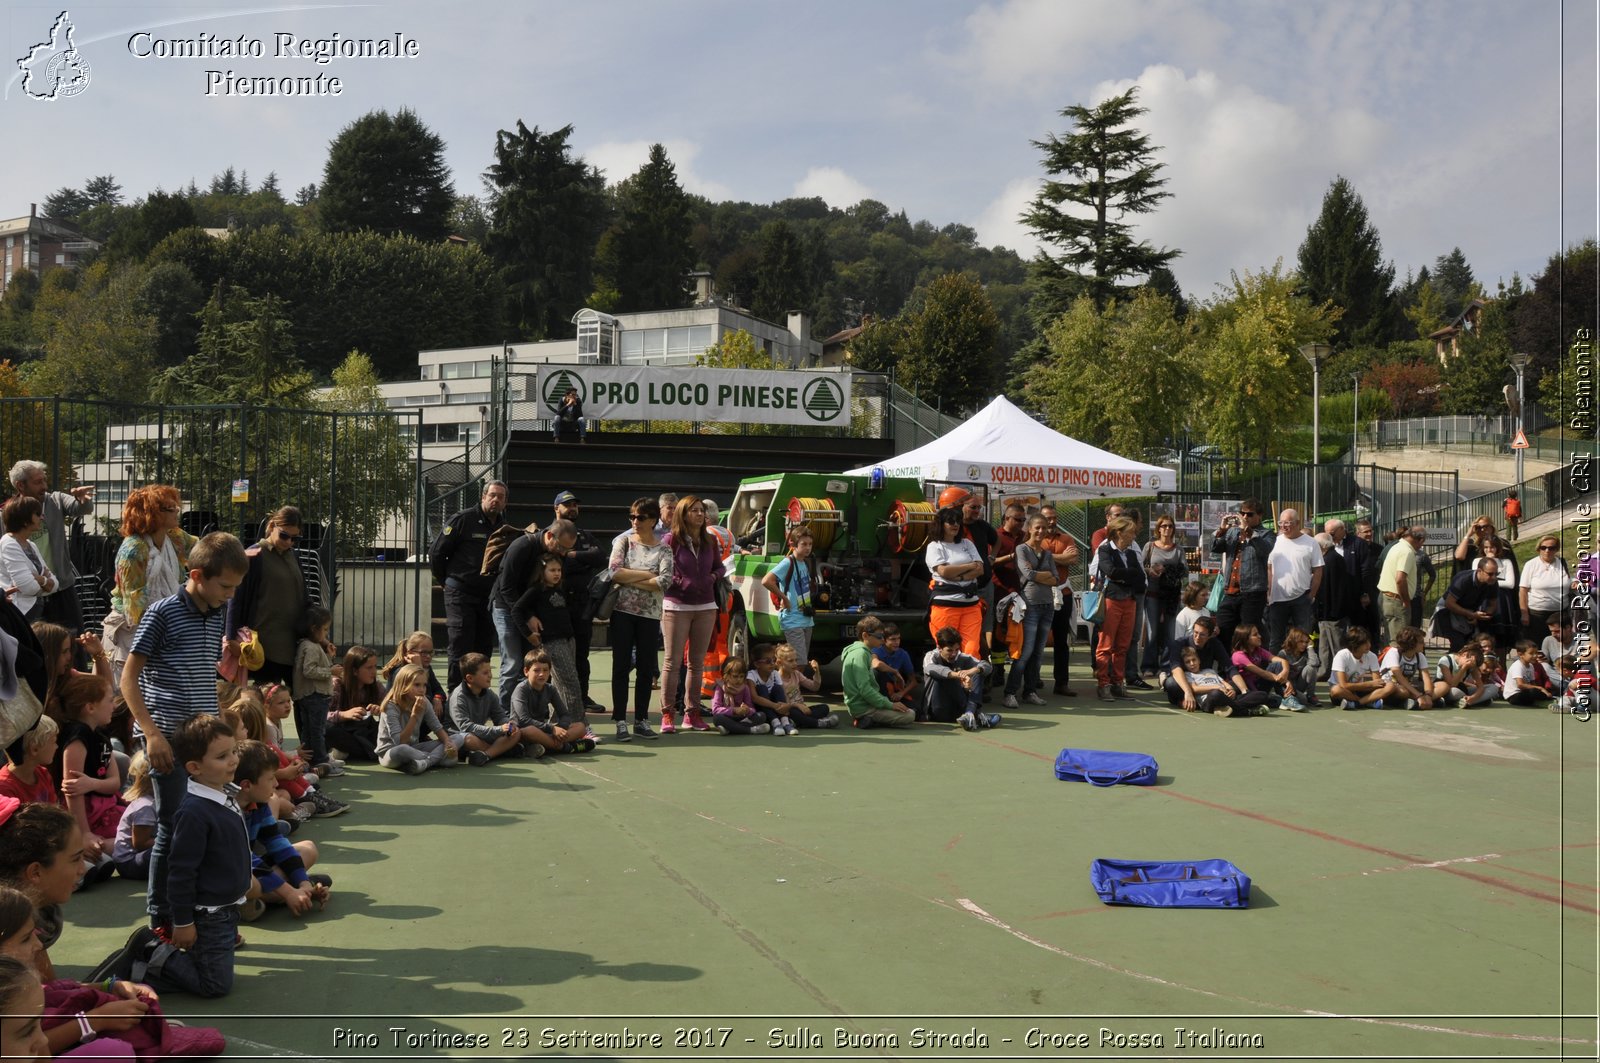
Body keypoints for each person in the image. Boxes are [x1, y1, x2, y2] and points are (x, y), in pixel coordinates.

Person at [118, 532, 247, 933]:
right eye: (225, 586)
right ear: (197, 575)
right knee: (172, 829)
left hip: (207, 740)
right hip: (168, 741)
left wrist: (221, 722)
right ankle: (164, 921)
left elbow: (202, 675)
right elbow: (128, 678)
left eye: (235, 588)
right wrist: (152, 734)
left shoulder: (215, 613)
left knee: (208, 824)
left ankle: (203, 913)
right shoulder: (161, 613)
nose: (230, 595)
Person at [131, 714, 247, 997]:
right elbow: (181, 871)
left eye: (233, 751)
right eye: (222, 756)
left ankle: (181, 957)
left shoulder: (222, 794)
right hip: (208, 913)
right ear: (194, 767)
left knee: (212, 965)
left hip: (226, 907)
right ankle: (148, 955)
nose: (233, 760)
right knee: (215, 985)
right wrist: (183, 921)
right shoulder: (194, 812)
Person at [103, 485, 194, 686]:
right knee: (130, 691)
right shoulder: (133, 549)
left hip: (164, 624)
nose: (177, 511)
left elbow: (203, 551)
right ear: (153, 514)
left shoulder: (174, 536)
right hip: (131, 629)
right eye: (171, 508)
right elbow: (134, 607)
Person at [429, 482, 508, 690]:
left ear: (505, 502)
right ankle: (455, 697)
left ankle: (479, 695)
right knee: (460, 645)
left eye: (500, 497)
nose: (496, 500)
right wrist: (446, 581)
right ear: (483, 497)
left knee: (483, 648)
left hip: (487, 597)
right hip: (460, 593)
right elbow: (437, 553)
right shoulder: (463, 519)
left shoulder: (504, 527)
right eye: (492, 495)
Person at [226, 506, 313, 687]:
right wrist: (231, 637)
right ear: (272, 526)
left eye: (295, 538)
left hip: (293, 645)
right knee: (265, 701)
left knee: (303, 699)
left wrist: (320, 636)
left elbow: (304, 598)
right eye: (284, 535)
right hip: (264, 646)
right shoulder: (255, 554)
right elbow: (236, 598)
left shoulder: (293, 557)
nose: (289, 541)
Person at [491, 519, 576, 703]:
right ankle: (505, 713)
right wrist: (527, 616)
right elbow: (506, 588)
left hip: (528, 608)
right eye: (561, 547)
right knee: (512, 663)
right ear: (549, 536)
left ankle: (528, 709)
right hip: (506, 607)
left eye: (567, 550)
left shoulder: (552, 552)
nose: (562, 553)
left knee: (531, 663)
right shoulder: (521, 547)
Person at [7, 461, 94, 637]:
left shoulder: (55, 500)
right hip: (27, 595)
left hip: (61, 587)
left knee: (72, 640)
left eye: (44, 481)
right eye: (38, 482)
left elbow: (81, 508)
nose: (44, 486)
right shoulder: (9, 513)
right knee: (34, 644)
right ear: (20, 485)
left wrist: (82, 499)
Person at [608, 498, 671, 742]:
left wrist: (629, 577)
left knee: (646, 669)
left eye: (640, 517)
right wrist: (647, 575)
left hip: (650, 616)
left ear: (653, 520)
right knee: (620, 667)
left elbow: (664, 581)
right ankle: (621, 721)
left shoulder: (664, 549)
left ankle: (642, 720)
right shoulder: (623, 542)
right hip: (622, 613)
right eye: (632, 516)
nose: (635, 521)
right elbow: (615, 571)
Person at [659, 496, 720, 734]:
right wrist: (680, 582)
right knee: (672, 663)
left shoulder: (710, 540)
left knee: (696, 663)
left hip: (706, 606)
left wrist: (712, 578)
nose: (699, 515)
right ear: (683, 514)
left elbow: (720, 566)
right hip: (676, 606)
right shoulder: (670, 540)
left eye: (701, 511)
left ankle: (692, 714)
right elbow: (661, 569)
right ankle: (667, 715)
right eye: (694, 510)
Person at [52, 673, 126, 869]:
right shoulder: (77, 736)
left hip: (105, 805)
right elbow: (73, 790)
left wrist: (92, 783)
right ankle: (85, 854)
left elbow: (115, 782)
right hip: (86, 813)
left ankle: (98, 854)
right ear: (90, 707)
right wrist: (83, 833)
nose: (114, 706)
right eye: (110, 701)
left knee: (144, 826)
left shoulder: (100, 734)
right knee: (135, 836)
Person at [553, 491, 606, 710]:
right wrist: (582, 561)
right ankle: (554, 700)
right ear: (556, 508)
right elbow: (557, 564)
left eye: (575, 505)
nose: (573, 508)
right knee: (554, 654)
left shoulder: (583, 535)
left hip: (582, 605)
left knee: (581, 655)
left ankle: (582, 698)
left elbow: (600, 557)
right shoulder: (549, 533)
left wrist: (573, 556)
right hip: (556, 605)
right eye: (567, 505)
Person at [516, 555, 584, 715]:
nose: (557, 573)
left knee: (560, 684)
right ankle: (580, 723)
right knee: (571, 683)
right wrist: (528, 634)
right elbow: (517, 610)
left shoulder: (560, 589)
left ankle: (559, 722)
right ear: (542, 571)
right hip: (552, 642)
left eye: (559, 570)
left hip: (568, 639)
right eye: (552, 570)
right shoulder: (536, 590)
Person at [1005, 515, 1060, 708]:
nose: (1040, 531)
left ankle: (1030, 691)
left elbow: (1056, 579)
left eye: (1044, 528)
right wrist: (1044, 575)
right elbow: (1027, 574)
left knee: (1038, 654)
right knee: (1025, 651)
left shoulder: (1047, 554)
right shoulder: (1021, 549)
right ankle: (1010, 692)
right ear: (1029, 528)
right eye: (1037, 527)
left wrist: (1040, 575)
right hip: (1030, 607)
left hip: (1047, 607)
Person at [375, 664, 464, 774]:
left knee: (458, 738)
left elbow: (437, 727)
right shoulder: (391, 706)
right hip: (391, 753)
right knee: (403, 749)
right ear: (403, 685)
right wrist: (415, 715)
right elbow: (400, 741)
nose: (422, 690)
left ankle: (423, 763)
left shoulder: (424, 701)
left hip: (415, 748)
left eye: (424, 685)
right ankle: (434, 760)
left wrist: (448, 743)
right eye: (417, 685)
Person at [1093, 515, 1145, 702]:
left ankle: (1117, 683)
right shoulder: (1105, 549)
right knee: (1106, 645)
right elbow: (1111, 572)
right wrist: (1127, 575)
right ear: (1119, 533)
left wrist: (1124, 576)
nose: (1134, 536)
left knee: (1122, 646)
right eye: (1131, 532)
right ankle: (1103, 684)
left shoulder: (1131, 553)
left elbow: (1139, 577)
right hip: (1111, 600)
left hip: (1129, 600)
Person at [1208, 499, 1271, 646]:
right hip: (1230, 591)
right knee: (1223, 628)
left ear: (1259, 515)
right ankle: (1227, 666)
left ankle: (1250, 665)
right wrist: (1222, 529)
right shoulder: (1232, 532)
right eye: (1242, 513)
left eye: (1249, 514)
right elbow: (1215, 547)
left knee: (1248, 633)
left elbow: (1265, 550)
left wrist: (1247, 531)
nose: (1245, 517)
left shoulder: (1266, 534)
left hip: (1253, 593)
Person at [507, 649, 593, 756]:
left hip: (542, 731)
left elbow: (565, 714)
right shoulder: (521, 689)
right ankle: (566, 747)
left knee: (580, 726)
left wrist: (560, 730)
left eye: (545, 670)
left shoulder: (550, 689)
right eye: (536, 670)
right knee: (529, 731)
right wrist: (552, 729)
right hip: (522, 730)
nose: (541, 674)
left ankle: (548, 746)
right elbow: (523, 720)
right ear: (526, 671)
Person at [924, 507, 984, 658]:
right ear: (941, 524)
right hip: (945, 606)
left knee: (972, 650)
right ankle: (947, 680)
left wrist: (960, 577)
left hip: (971, 604)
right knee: (947, 651)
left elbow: (980, 569)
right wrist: (969, 566)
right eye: (950, 521)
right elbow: (944, 571)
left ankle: (968, 681)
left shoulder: (967, 543)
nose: (955, 524)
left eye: (958, 521)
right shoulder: (934, 546)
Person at [446, 654, 523, 765]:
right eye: (485, 673)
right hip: (460, 736)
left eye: (490, 671)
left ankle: (486, 755)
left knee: (516, 732)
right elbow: (466, 727)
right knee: (469, 740)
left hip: (481, 734)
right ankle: (503, 751)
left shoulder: (489, 694)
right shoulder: (458, 697)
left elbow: (499, 716)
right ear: (470, 678)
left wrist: (508, 725)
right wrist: (499, 730)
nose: (490, 676)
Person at [291, 605, 340, 779]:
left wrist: (328, 657)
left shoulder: (309, 645)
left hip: (308, 695)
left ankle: (309, 761)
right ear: (314, 629)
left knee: (309, 731)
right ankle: (321, 760)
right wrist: (331, 671)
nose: (326, 634)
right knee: (317, 731)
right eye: (325, 629)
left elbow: (316, 666)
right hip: (315, 695)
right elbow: (310, 670)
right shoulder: (311, 646)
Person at [1264, 509, 1323, 654]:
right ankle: (1274, 670)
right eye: (1281, 523)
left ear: (1297, 523)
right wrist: (1269, 591)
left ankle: (1301, 671)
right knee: (1275, 639)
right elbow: (1269, 568)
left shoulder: (1311, 543)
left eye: (1287, 523)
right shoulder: (1275, 541)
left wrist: (1311, 595)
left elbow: (1318, 571)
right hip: (1277, 598)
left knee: (1302, 637)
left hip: (1302, 598)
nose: (1283, 526)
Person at [1036, 503, 1080, 697]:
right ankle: (1033, 680)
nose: (1052, 522)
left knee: (1061, 641)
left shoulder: (1067, 538)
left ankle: (1061, 683)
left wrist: (1047, 556)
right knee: (1036, 640)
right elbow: (1035, 561)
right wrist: (1059, 557)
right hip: (1039, 595)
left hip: (1064, 595)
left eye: (1054, 518)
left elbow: (1073, 559)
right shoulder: (1034, 539)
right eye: (1048, 518)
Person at [841, 617, 915, 729]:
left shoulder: (859, 651)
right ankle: (864, 717)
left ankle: (868, 719)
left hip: (864, 703)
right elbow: (865, 689)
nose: (882, 640)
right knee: (910, 715)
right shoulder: (861, 654)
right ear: (865, 636)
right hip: (863, 707)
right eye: (879, 636)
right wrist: (890, 704)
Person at [1161, 616, 1245, 711]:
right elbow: (1176, 669)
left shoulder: (1215, 644)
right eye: (1195, 633)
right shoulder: (1179, 643)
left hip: (1207, 684)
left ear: (1210, 635)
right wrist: (1188, 692)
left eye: (1202, 635)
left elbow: (1229, 667)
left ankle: (1215, 702)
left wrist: (1244, 691)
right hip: (1187, 685)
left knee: (1236, 685)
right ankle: (1183, 701)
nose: (1197, 637)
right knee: (1171, 683)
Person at [1140, 514, 1188, 677]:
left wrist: (1166, 569)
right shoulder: (1150, 546)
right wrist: (1151, 570)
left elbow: (1185, 570)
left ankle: (1167, 666)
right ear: (1158, 528)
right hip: (1153, 593)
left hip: (1171, 596)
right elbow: (1140, 567)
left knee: (1170, 631)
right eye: (1164, 526)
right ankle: (1148, 665)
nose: (1167, 529)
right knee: (1152, 632)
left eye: (1170, 526)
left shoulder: (1178, 549)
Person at [760, 528, 817, 663]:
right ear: (793, 545)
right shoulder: (787, 562)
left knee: (801, 663)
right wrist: (784, 598)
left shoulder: (805, 562)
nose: (808, 548)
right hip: (793, 619)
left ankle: (794, 684)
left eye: (810, 544)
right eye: (803, 544)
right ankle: (789, 684)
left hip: (806, 618)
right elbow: (766, 581)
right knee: (799, 662)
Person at [921, 626, 994, 729]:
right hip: (937, 709)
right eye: (949, 651)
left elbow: (987, 666)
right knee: (942, 676)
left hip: (957, 708)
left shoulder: (962, 656)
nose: (954, 654)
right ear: (939, 648)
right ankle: (975, 714)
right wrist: (959, 675)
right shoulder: (931, 656)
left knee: (978, 671)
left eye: (956, 649)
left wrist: (972, 671)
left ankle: (969, 713)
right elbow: (931, 669)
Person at [0, 498, 57, 624]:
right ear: (25, 520)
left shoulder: (31, 545)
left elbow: (55, 584)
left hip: (31, 610)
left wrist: (40, 579)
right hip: (18, 612)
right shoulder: (9, 543)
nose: (41, 517)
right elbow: (27, 587)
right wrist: (46, 583)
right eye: (37, 514)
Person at [325, 646, 383, 763]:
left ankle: (354, 752)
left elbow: (393, 706)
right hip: (344, 732)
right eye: (369, 668)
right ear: (355, 671)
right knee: (328, 729)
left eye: (375, 667)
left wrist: (381, 709)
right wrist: (344, 715)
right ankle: (369, 752)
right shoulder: (337, 685)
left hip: (365, 732)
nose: (374, 672)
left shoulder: (376, 686)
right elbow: (321, 716)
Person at [1436, 558, 1501, 651]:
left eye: (1496, 574)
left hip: (1469, 612)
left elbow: (1492, 605)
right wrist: (1471, 614)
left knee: (1473, 644)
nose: (1494, 577)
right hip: (1447, 610)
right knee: (1458, 643)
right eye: (1490, 574)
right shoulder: (1463, 579)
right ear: (1479, 571)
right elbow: (1449, 603)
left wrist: (1482, 615)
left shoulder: (1492, 583)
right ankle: (1450, 664)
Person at [1519, 536, 1575, 644]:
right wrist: (1524, 613)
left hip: (1560, 612)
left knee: (1561, 645)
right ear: (1538, 548)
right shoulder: (1531, 565)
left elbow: (1567, 580)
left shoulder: (1562, 563)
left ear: (1557, 549)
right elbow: (1523, 590)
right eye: (1543, 547)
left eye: (1551, 548)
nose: (1547, 550)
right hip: (1538, 615)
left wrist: (1573, 582)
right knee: (1539, 646)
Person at [1375, 525, 1423, 646]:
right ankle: (1394, 665)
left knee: (1390, 639)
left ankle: (1389, 663)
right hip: (1396, 601)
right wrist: (1406, 601)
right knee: (1400, 642)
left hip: (1386, 597)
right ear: (1420, 540)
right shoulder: (1406, 552)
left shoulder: (1395, 546)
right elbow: (1400, 579)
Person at [111, 752, 155, 880]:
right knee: (169, 850)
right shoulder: (146, 807)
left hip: (140, 856)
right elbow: (140, 844)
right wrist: (169, 840)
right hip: (129, 862)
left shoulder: (154, 802)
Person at [1472, 535, 1520, 648]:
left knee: (1501, 636)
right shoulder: (1478, 561)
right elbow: (1477, 580)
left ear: (1498, 548)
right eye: (1486, 547)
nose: (1489, 550)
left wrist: (1490, 580)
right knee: (1484, 630)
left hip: (1502, 600)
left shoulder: (1506, 562)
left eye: (1492, 547)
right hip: (1484, 599)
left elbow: (1510, 583)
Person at [709, 657, 774, 735]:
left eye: (741, 676)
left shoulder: (745, 688)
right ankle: (751, 730)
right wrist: (734, 710)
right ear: (726, 676)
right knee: (717, 718)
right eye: (735, 676)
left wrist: (747, 710)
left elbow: (752, 708)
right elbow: (715, 709)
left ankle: (730, 729)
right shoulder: (719, 687)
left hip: (742, 718)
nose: (739, 679)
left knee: (761, 715)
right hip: (727, 716)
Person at [1378, 626, 1435, 710]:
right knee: (1403, 692)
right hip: (1391, 686)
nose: (1424, 644)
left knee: (1440, 686)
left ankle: (1419, 701)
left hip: (1409, 687)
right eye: (1421, 642)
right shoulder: (1394, 652)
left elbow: (1426, 678)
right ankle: (1418, 700)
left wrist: (1428, 695)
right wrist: (1418, 694)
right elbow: (1399, 677)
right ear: (1411, 643)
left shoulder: (1420, 656)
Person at [1330, 627, 1386, 709]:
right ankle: (1366, 702)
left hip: (1360, 690)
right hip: (1344, 692)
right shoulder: (1341, 655)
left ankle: (1356, 703)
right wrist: (1370, 684)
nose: (1369, 645)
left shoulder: (1372, 656)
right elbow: (1344, 685)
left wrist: (1373, 684)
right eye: (1364, 643)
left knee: (1390, 686)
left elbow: (1377, 683)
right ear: (1355, 644)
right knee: (1336, 690)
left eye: (1369, 641)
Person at [1432, 643, 1496, 707]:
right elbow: (1452, 684)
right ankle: (1477, 701)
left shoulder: (1472, 666)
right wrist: (1464, 668)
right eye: (1470, 664)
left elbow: (1480, 687)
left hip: (1462, 690)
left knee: (1493, 688)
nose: (1470, 667)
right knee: (1455, 692)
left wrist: (1473, 697)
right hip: (1446, 690)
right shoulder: (1445, 660)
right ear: (1464, 655)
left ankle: (1466, 702)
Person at [1504, 640, 1559, 706]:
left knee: (1540, 691)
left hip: (1525, 693)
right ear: (1520, 654)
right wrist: (1540, 688)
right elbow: (1520, 685)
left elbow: (1533, 683)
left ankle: (1545, 700)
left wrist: (1541, 691)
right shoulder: (1517, 666)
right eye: (1531, 653)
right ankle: (1543, 701)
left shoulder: (1531, 666)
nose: (1535, 655)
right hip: (1513, 696)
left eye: (1536, 653)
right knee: (1534, 691)